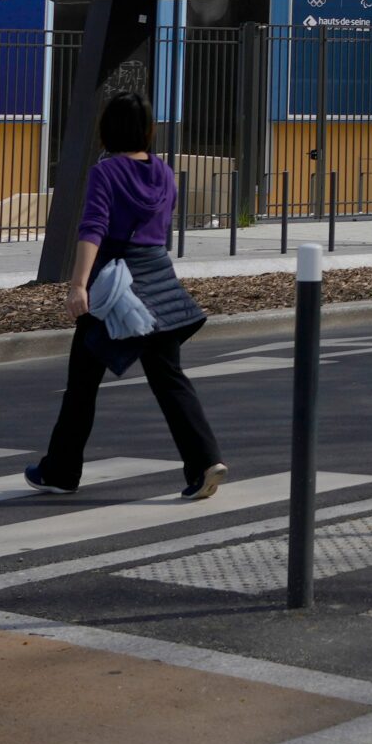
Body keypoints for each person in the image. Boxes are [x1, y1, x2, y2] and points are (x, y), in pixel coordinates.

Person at [28, 93, 227, 502]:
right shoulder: (164, 174)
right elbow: (162, 232)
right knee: (170, 378)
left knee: (82, 384)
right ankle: (205, 460)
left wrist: (78, 284)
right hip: (158, 282)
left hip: (114, 289)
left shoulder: (106, 173)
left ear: (108, 129)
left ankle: (62, 470)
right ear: (147, 130)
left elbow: (93, 229)